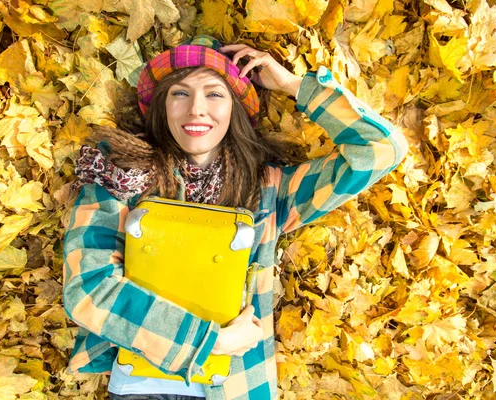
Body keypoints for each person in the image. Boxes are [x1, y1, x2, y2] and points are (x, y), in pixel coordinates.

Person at [62, 35, 408, 400]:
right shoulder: (120, 175)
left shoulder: (269, 192)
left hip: (238, 387)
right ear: (162, 106)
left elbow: (382, 149)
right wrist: (210, 341)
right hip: (142, 385)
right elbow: (89, 287)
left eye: (215, 94)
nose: (196, 109)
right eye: (180, 93)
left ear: (235, 110)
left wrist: (294, 85)